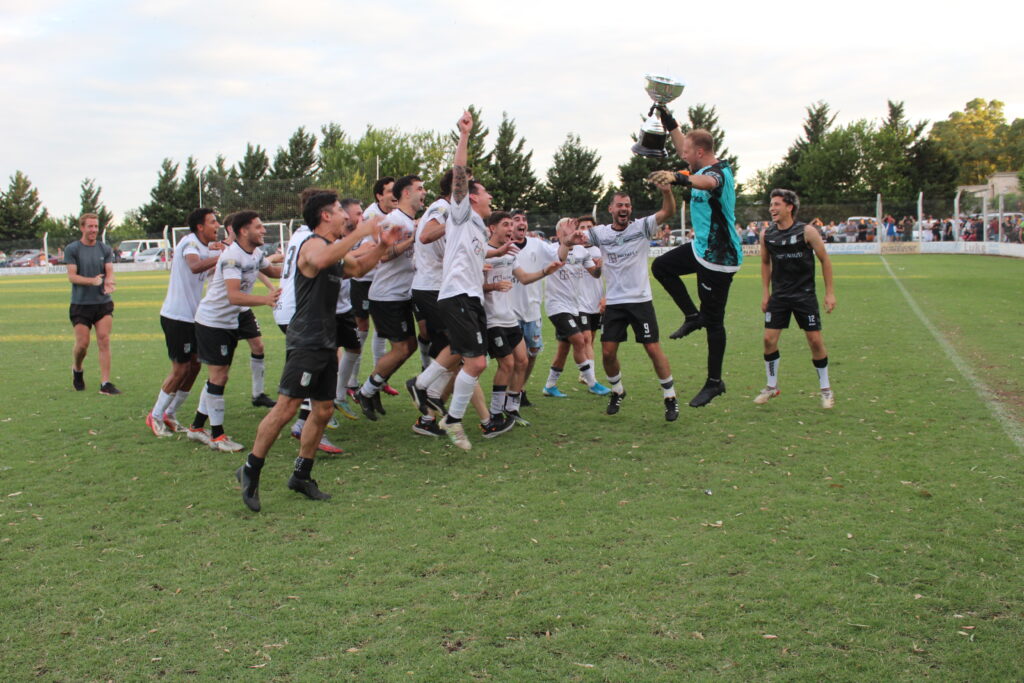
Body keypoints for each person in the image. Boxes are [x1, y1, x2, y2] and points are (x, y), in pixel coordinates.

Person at [235, 191, 394, 512]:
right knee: (286, 409)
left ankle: (301, 475)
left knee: (322, 410)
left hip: (325, 340)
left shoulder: (332, 248)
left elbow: (357, 268)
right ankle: (250, 468)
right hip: (306, 340)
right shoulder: (312, 245)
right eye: (339, 210)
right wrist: (362, 233)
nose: (346, 216)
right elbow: (321, 260)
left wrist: (382, 246)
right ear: (325, 215)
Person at [406, 110, 493, 450]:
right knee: (477, 361)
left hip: (471, 298)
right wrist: (465, 135)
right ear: (472, 197)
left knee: (459, 354)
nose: (490, 198)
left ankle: (422, 385)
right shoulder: (460, 213)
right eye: (486, 193)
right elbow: (458, 173)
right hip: (456, 295)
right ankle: (453, 419)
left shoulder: (480, 228)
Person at [648, 114, 742, 408]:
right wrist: (669, 120)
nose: (683, 156)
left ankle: (715, 382)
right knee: (661, 267)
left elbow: (706, 182)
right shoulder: (697, 162)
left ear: (700, 152)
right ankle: (692, 315)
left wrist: (678, 177)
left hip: (720, 258)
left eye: (687, 153)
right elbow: (684, 148)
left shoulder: (719, 173)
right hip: (701, 249)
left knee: (715, 322)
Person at [579, 182, 680, 421]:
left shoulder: (642, 226)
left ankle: (670, 397)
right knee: (607, 352)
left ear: (630, 209)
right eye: (619, 205)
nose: (623, 208)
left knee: (652, 348)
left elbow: (668, 212)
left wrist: (666, 191)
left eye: (627, 205)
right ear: (611, 209)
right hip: (614, 302)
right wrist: (570, 236)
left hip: (640, 300)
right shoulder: (601, 233)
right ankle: (617, 390)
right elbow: (578, 237)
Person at [189, 211, 282, 452]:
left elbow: (273, 271)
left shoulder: (255, 253)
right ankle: (217, 436)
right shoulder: (232, 257)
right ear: (243, 231)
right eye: (258, 227)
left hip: (227, 323)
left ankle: (197, 427)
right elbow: (233, 296)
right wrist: (265, 299)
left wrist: (300, 267)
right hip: (213, 322)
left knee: (217, 376)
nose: (264, 230)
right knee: (219, 376)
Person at [755, 189, 836, 409]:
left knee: (815, 341)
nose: (772, 208)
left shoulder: (807, 232)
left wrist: (829, 292)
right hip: (780, 296)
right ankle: (771, 387)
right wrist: (765, 293)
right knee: (768, 340)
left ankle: (826, 390)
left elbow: (825, 260)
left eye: (777, 204)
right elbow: (765, 263)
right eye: (771, 204)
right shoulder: (767, 234)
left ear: (789, 207)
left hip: (804, 296)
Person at [147, 208, 224, 437]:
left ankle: (170, 414)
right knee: (180, 369)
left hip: (193, 318)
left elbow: (203, 269)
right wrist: (222, 257)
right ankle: (155, 415)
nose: (217, 225)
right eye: (213, 222)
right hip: (176, 317)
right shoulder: (190, 243)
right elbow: (194, 265)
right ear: (200, 227)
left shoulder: (203, 246)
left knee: (195, 366)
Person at [482, 211, 562, 432]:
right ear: (492, 228)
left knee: (523, 361)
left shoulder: (510, 253)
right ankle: (495, 413)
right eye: (506, 224)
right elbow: (471, 284)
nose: (511, 228)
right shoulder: (483, 252)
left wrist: (546, 270)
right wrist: (493, 286)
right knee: (507, 364)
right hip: (491, 319)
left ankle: (512, 408)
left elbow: (524, 278)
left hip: (509, 317)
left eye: (512, 224)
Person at [354, 175, 423, 420]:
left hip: (402, 294)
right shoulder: (393, 220)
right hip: (387, 295)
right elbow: (382, 255)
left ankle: (372, 388)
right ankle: (365, 391)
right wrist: (412, 239)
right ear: (406, 193)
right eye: (419, 189)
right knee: (401, 348)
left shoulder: (410, 220)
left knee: (410, 346)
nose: (424, 193)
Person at [541, 217, 608, 398]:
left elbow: (594, 274)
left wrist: (599, 267)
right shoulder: (550, 250)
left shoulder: (581, 251)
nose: (571, 232)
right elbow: (560, 257)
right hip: (556, 306)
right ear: (558, 233)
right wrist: (567, 242)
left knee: (564, 348)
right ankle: (592, 382)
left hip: (574, 306)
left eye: (573, 229)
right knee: (579, 340)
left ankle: (550, 386)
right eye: (566, 229)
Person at [349, 177, 399, 399]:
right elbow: (383, 248)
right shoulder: (371, 215)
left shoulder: (393, 214)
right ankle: (351, 381)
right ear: (379, 195)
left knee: (381, 330)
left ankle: (380, 379)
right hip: (363, 278)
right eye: (390, 191)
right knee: (362, 328)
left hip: (380, 278)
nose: (394, 195)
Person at [65, 213, 119, 395]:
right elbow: (72, 276)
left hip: (103, 303)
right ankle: (77, 369)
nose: (94, 230)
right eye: (90, 226)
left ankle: (105, 383)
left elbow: (109, 271)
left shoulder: (105, 249)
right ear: (82, 228)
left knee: (104, 339)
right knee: (82, 344)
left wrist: (109, 282)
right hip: (81, 304)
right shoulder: (72, 249)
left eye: (96, 226)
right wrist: (92, 281)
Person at [508, 210, 549, 407]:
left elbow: (558, 254)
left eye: (524, 219)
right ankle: (510, 394)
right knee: (515, 358)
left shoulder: (537, 244)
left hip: (532, 310)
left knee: (532, 354)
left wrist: (566, 242)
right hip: (509, 311)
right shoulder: (503, 248)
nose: (521, 223)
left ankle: (520, 389)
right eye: (516, 220)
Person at [575, 215, 604, 384]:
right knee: (585, 338)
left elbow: (610, 276)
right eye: (582, 227)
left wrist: (605, 298)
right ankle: (590, 377)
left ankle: (584, 371)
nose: (585, 230)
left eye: (589, 227)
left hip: (596, 301)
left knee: (591, 338)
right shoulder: (574, 250)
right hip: (579, 302)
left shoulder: (601, 250)